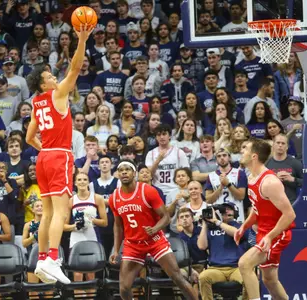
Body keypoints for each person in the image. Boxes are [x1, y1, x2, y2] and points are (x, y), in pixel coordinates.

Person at [25, 25, 94, 284]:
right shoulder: (57, 94)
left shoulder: (36, 103)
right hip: (60, 156)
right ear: (44, 83)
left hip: (43, 159)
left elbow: (30, 137)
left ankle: (43, 258)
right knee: (61, 213)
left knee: (47, 213)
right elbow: (75, 68)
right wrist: (83, 39)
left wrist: (45, 150)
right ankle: (53, 258)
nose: (55, 78)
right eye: (50, 76)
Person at [109, 159, 198, 300]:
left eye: (127, 169)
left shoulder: (148, 191)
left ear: (134, 173)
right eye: (121, 170)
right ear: (118, 174)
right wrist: (115, 249)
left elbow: (166, 217)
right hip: (133, 244)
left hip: (154, 240)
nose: (124, 172)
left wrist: (155, 228)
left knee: (178, 278)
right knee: (124, 288)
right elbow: (118, 225)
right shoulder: (114, 197)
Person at [236, 138, 296, 300]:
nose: (242, 151)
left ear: (254, 156)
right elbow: (257, 208)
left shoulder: (270, 182)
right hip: (263, 231)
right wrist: (244, 226)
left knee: (244, 264)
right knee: (270, 280)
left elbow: (290, 215)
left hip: (278, 233)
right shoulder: (251, 177)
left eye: (245, 148)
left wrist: (270, 236)